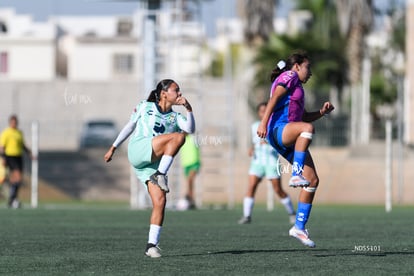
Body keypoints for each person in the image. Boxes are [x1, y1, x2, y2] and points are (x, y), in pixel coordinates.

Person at [104, 79, 195, 258]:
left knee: (160, 201)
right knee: (178, 138)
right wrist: (113, 147)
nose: (179, 93)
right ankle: (161, 174)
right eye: (176, 90)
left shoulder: (176, 116)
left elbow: (190, 129)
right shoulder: (145, 106)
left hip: (150, 164)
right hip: (139, 150)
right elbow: (130, 126)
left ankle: (151, 245)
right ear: (163, 93)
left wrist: (189, 109)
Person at [257, 51, 334, 248]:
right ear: (297, 66)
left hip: (289, 133)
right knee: (306, 130)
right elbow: (274, 99)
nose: (311, 72)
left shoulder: (298, 86)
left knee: (313, 180)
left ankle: (299, 227)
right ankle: (296, 174)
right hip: (277, 130)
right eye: (308, 68)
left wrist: (322, 112)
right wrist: (263, 123)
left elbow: (303, 118)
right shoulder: (289, 76)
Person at [238, 102, 296, 225]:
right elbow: (255, 141)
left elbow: (280, 141)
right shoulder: (255, 126)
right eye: (261, 111)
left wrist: (269, 143)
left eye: (266, 110)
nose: (263, 113)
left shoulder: (276, 125)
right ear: (259, 113)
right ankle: (247, 216)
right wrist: (252, 148)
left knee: (278, 189)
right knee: (251, 186)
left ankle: (292, 213)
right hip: (257, 160)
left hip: (272, 161)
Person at [0, 115, 32, 208]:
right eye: (13, 122)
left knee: (17, 179)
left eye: (15, 122)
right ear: (10, 123)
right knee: (17, 177)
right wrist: (3, 158)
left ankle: (12, 199)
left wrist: (29, 152)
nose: (14, 123)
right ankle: (12, 197)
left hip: (18, 157)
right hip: (10, 157)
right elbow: (2, 147)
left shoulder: (19, 133)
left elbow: (22, 144)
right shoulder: (6, 133)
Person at [179, 134, 200, 209]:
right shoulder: (182, 139)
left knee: (190, 180)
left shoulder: (192, 137)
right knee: (189, 182)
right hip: (186, 164)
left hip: (194, 162)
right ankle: (191, 200)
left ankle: (189, 197)